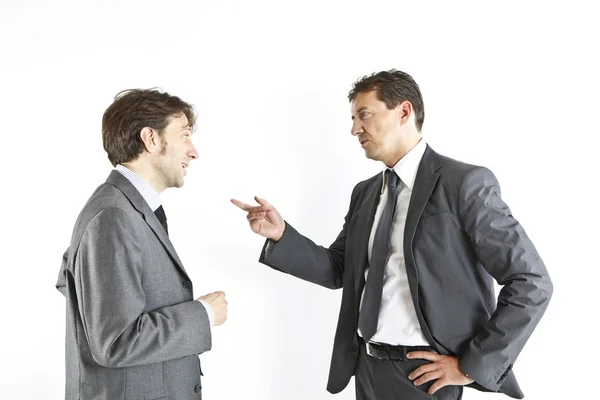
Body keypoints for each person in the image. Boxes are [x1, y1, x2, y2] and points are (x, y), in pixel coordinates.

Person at [232, 70, 552, 400]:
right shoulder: (366, 193)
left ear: (403, 112)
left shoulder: (464, 184)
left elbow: (531, 280)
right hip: (367, 369)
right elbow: (339, 269)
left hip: (429, 376)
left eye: (364, 115)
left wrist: (472, 365)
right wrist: (282, 234)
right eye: (354, 118)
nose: (355, 128)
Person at [56, 89, 227, 400]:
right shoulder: (113, 216)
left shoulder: (124, 209)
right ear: (151, 139)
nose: (194, 151)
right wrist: (203, 313)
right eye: (185, 135)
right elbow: (115, 341)